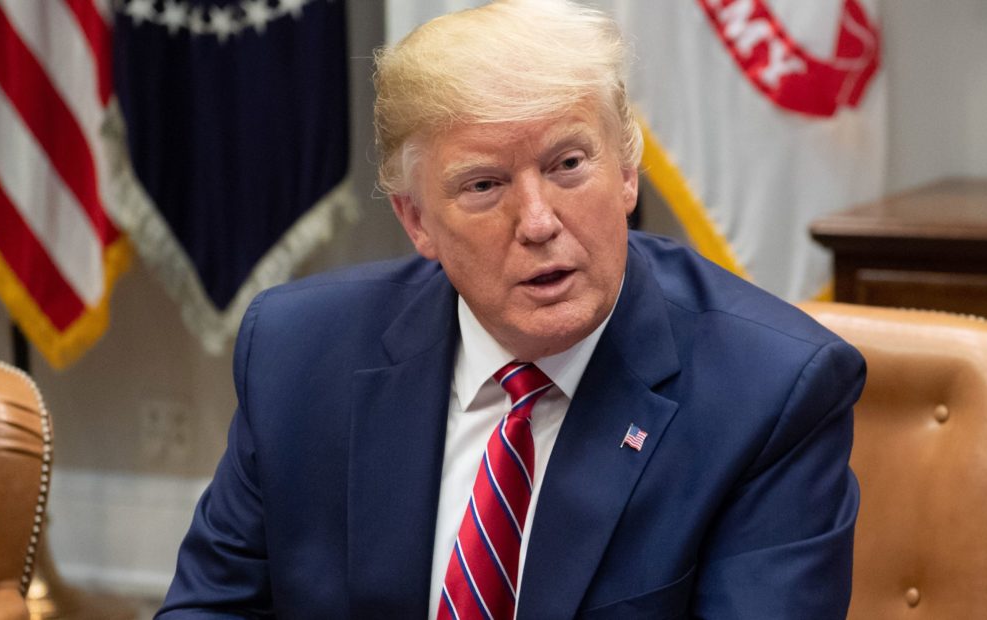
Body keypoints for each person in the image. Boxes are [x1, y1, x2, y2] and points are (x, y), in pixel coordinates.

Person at [157, 1, 865, 618]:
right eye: (484, 184)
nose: (538, 221)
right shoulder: (299, 352)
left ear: (625, 171)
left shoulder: (772, 394)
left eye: (567, 165)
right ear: (417, 221)